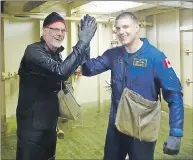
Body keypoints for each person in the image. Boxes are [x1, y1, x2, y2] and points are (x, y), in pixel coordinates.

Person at [81, 12, 184, 160]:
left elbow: (174, 95)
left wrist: (176, 133)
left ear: (137, 27)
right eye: (118, 28)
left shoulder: (155, 57)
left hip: (142, 128)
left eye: (125, 27)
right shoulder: (113, 55)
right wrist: (83, 44)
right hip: (116, 126)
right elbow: (88, 69)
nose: (121, 32)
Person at [16, 12, 97, 160]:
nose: (60, 34)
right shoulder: (33, 51)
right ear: (45, 31)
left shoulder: (56, 55)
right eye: (55, 29)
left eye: (63, 30)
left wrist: (86, 43)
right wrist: (81, 43)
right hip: (31, 129)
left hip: (49, 123)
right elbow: (60, 72)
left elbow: (75, 66)